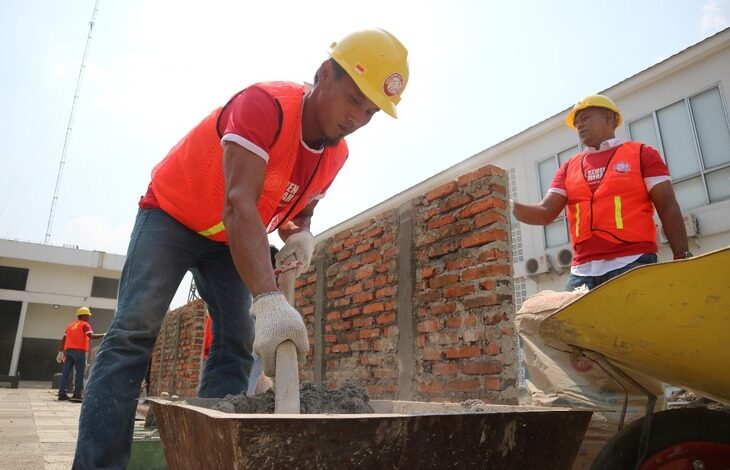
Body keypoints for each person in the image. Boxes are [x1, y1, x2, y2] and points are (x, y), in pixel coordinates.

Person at [73, 28, 408, 469]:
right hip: (172, 214)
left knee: (236, 343)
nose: (357, 118)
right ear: (325, 73)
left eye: (370, 112)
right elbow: (239, 202)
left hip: (225, 238)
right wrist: (268, 298)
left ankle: (202, 460)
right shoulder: (264, 106)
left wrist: (300, 234)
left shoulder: (335, 154)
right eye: (353, 100)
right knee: (133, 334)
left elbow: (298, 207)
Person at [512, 94, 690, 291]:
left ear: (609, 118)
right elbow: (545, 212)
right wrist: (507, 206)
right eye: (577, 122)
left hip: (632, 262)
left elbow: (668, 206)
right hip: (582, 271)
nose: (580, 125)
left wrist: (682, 256)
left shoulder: (642, 154)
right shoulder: (569, 167)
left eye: (585, 118)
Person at [56, 307, 103, 401]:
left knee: (66, 373)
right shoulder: (85, 325)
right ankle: (77, 394)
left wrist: (60, 351)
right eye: (87, 315)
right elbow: (91, 336)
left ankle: (62, 394)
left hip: (68, 351)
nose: (89, 317)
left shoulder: (71, 325)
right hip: (79, 352)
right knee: (80, 373)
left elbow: (64, 339)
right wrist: (105, 334)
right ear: (83, 315)